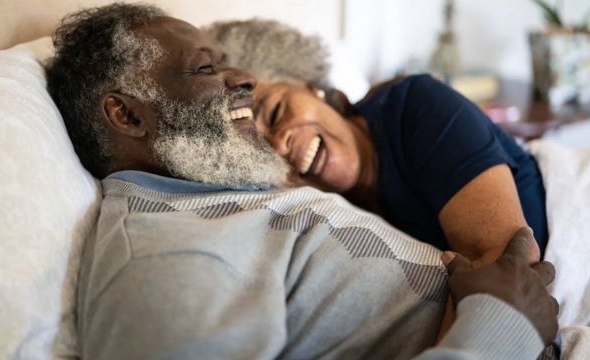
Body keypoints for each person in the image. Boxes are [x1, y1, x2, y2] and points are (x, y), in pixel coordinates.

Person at [45, 4, 558, 359]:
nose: (244, 78)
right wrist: (498, 332)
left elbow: (508, 257)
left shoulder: (229, 198)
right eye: (206, 68)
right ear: (127, 116)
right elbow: (512, 289)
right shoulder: (161, 258)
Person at [204, 20, 549, 269]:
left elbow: (510, 268)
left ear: (309, 86)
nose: (279, 145)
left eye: (277, 110)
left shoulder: (416, 105)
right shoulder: (313, 220)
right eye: (260, 153)